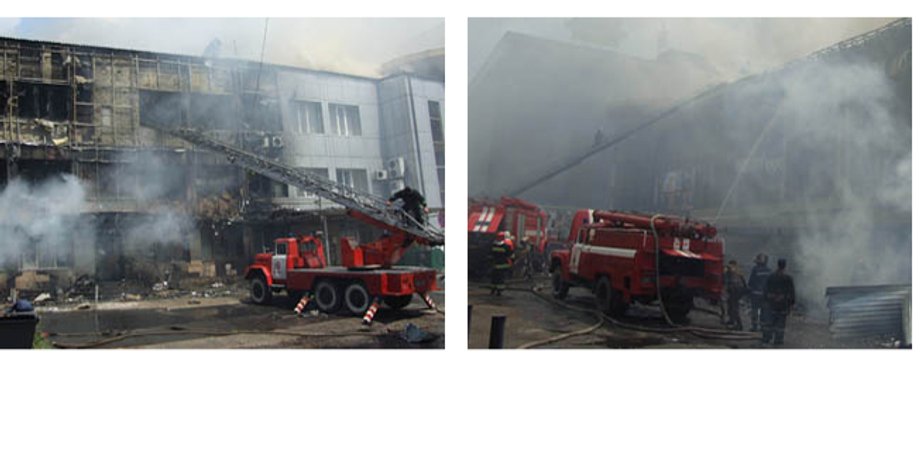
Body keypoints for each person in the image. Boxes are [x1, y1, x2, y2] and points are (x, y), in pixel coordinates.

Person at [762, 258, 796, 346]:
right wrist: (791, 304)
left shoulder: (771, 276)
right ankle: (778, 341)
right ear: (785, 266)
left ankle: (766, 339)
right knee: (780, 325)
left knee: (769, 323)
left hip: (771, 304)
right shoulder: (788, 278)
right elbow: (791, 292)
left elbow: (765, 290)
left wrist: (767, 299)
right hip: (783, 305)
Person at [747, 253, 772, 331]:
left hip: (755, 294)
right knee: (764, 311)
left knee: (754, 310)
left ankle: (754, 326)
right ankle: (762, 327)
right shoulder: (769, 271)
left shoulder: (755, 269)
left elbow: (751, 282)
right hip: (765, 295)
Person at [723, 260, 747, 330]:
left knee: (734, 308)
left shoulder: (735, 273)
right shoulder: (735, 272)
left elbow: (740, 284)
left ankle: (738, 324)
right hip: (733, 292)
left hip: (735, 292)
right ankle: (732, 321)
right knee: (730, 307)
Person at [490, 231, 515, 296]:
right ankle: (499, 291)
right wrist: (512, 261)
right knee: (500, 278)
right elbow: (510, 255)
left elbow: (491, 254)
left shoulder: (493, 245)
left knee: (494, 277)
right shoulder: (506, 246)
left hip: (495, 264)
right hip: (503, 264)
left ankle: (493, 289)